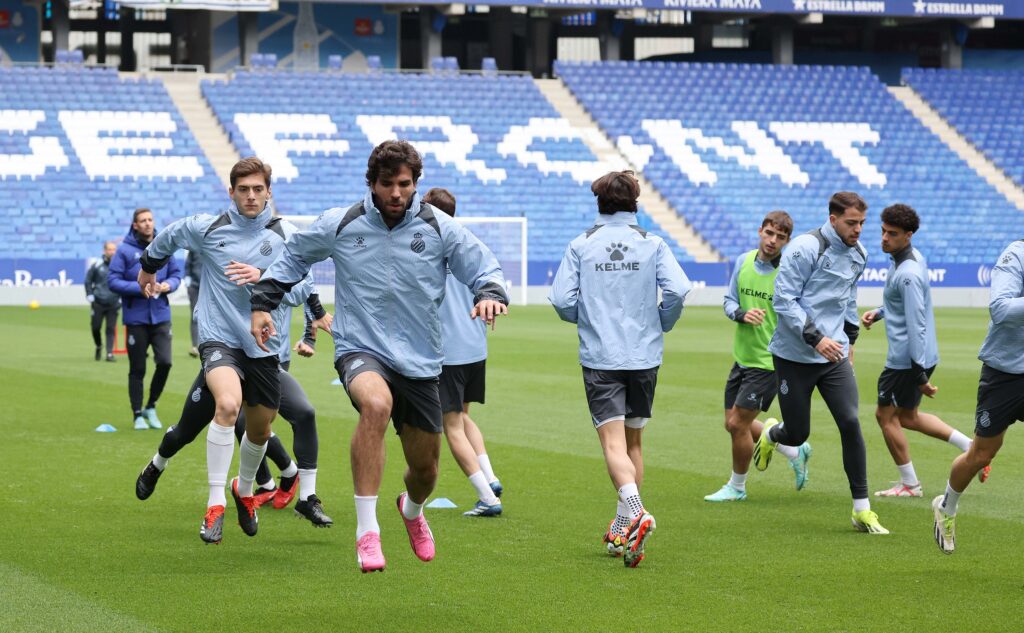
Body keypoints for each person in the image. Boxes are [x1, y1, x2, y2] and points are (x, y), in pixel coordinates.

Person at [250, 140, 509, 573]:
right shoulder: (342, 222)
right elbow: (294, 255)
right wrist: (262, 301)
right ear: (371, 183)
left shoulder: (439, 226)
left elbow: (484, 266)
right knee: (375, 404)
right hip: (360, 347)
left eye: (404, 184)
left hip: (422, 361)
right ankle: (367, 531)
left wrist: (489, 294)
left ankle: (411, 510)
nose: (395, 193)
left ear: (415, 184)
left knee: (425, 472)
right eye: (387, 184)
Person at [138, 157, 290, 544]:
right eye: (243, 189)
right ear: (232, 192)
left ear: (269, 191)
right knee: (226, 406)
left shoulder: (285, 235)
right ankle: (214, 502)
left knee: (259, 430)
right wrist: (149, 264)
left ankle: (244, 489)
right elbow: (170, 234)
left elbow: (304, 285)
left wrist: (266, 278)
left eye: (258, 189)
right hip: (219, 338)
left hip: (263, 346)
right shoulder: (209, 227)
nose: (251, 196)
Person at [549, 170, 691, 568]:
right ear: (635, 203)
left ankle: (637, 511)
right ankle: (622, 526)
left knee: (612, 446)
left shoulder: (582, 245)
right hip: (645, 355)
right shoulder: (653, 243)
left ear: (600, 203)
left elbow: (560, 300)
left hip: (602, 356)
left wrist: (588, 317)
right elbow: (679, 290)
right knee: (633, 445)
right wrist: (663, 320)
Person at [134, 284, 334, 528]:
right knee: (185, 432)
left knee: (302, 413)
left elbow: (303, 287)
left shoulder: (287, 255)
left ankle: (299, 495)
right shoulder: (228, 254)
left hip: (266, 363)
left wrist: (310, 331)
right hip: (226, 359)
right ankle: (157, 464)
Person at [752, 191, 889, 534]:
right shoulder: (805, 248)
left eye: (861, 223)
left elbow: (847, 299)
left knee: (850, 421)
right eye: (851, 223)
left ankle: (861, 508)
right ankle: (772, 433)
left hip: (834, 356)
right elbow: (784, 300)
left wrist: (849, 341)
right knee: (797, 434)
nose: (858, 229)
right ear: (833, 219)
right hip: (795, 355)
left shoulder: (860, 254)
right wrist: (817, 337)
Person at [860, 204, 988, 498]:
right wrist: (881, 312)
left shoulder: (908, 273)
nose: (883, 238)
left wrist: (918, 373)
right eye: (882, 231)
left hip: (906, 359)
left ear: (908, 235)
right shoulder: (912, 258)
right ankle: (970, 447)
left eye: (891, 234)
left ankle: (910, 484)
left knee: (885, 416)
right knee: (907, 416)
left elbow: (916, 324)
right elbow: (904, 308)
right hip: (919, 355)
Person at [705, 211, 811, 503]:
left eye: (780, 237)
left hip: (769, 362)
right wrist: (741, 314)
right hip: (742, 357)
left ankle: (737, 487)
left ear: (787, 241)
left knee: (738, 425)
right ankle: (792, 448)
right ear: (760, 231)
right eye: (769, 233)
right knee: (732, 422)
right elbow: (729, 301)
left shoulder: (789, 273)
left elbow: (799, 314)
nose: (772, 241)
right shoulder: (743, 261)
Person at [933, 239, 1024, 554]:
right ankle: (947, 506)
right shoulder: (1016, 255)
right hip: (1005, 374)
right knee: (982, 454)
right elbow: (1000, 309)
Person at [423, 187, 504, 517]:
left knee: (450, 426)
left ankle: (487, 498)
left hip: (448, 351)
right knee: (463, 417)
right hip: (475, 347)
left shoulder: (428, 252)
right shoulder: (470, 247)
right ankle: (491, 476)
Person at [107, 209, 181, 431]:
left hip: (161, 315)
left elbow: (177, 275)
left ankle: (151, 405)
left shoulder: (163, 245)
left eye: (150, 219)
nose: (148, 224)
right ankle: (137, 414)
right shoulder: (124, 250)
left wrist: (169, 285)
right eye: (143, 221)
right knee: (137, 368)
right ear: (135, 225)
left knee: (165, 362)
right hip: (136, 318)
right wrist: (140, 288)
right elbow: (112, 280)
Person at [85, 241, 120, 362]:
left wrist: (122, 297)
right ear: (104, 251)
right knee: (95, 327)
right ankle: (99, 345)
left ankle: (109, 353)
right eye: (109, 249)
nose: (112, 252)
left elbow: (124, 281)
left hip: (113, 301)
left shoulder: (120, 265)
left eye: (113, 249)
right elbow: (88, 281)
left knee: (110, 328)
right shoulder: (96, 265)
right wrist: (90, 294)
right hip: (98, 301)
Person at [184, 251, 202, 358]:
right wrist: (188, 280)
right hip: (195, 287)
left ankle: (209, 344)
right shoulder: (194, 247)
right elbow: (187, 265)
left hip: (211, 287)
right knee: (195, 316)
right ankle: (195, 346)